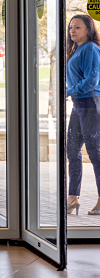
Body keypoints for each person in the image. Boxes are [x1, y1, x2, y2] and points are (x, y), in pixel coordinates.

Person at [65, 14, 100, 215]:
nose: (72, 31)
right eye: (71, 27)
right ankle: (73, 198)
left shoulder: (91, 49)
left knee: (95, 154)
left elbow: (91, 81)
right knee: (72, 151)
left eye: (77, 27)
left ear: (88, 29)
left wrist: (67, 91)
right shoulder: (78, 49)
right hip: (78, 105)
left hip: (91, 104)